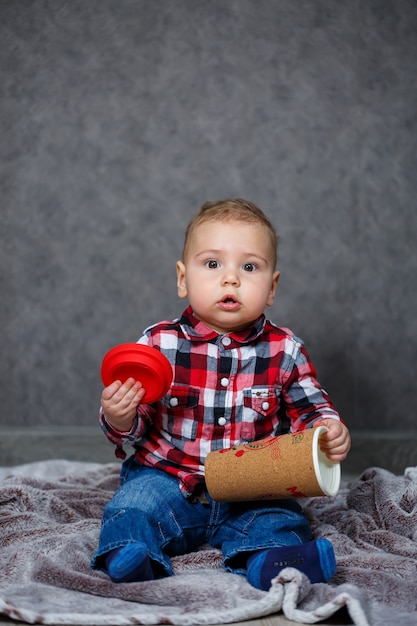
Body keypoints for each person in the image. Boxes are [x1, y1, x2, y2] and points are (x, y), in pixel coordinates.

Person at [91, 198, 351, 590]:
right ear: (183, 279)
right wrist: (120, 415)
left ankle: (272, 561)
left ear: (272, 287)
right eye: (212, 264)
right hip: (169, 479)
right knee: (133, 505)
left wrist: (326, 428)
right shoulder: (159, 343)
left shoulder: (285, 350)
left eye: (249, 267)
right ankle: (132, 554)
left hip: (252, 488)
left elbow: (308, 407)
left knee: (279, 519)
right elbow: (136, 426)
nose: (231, 279)